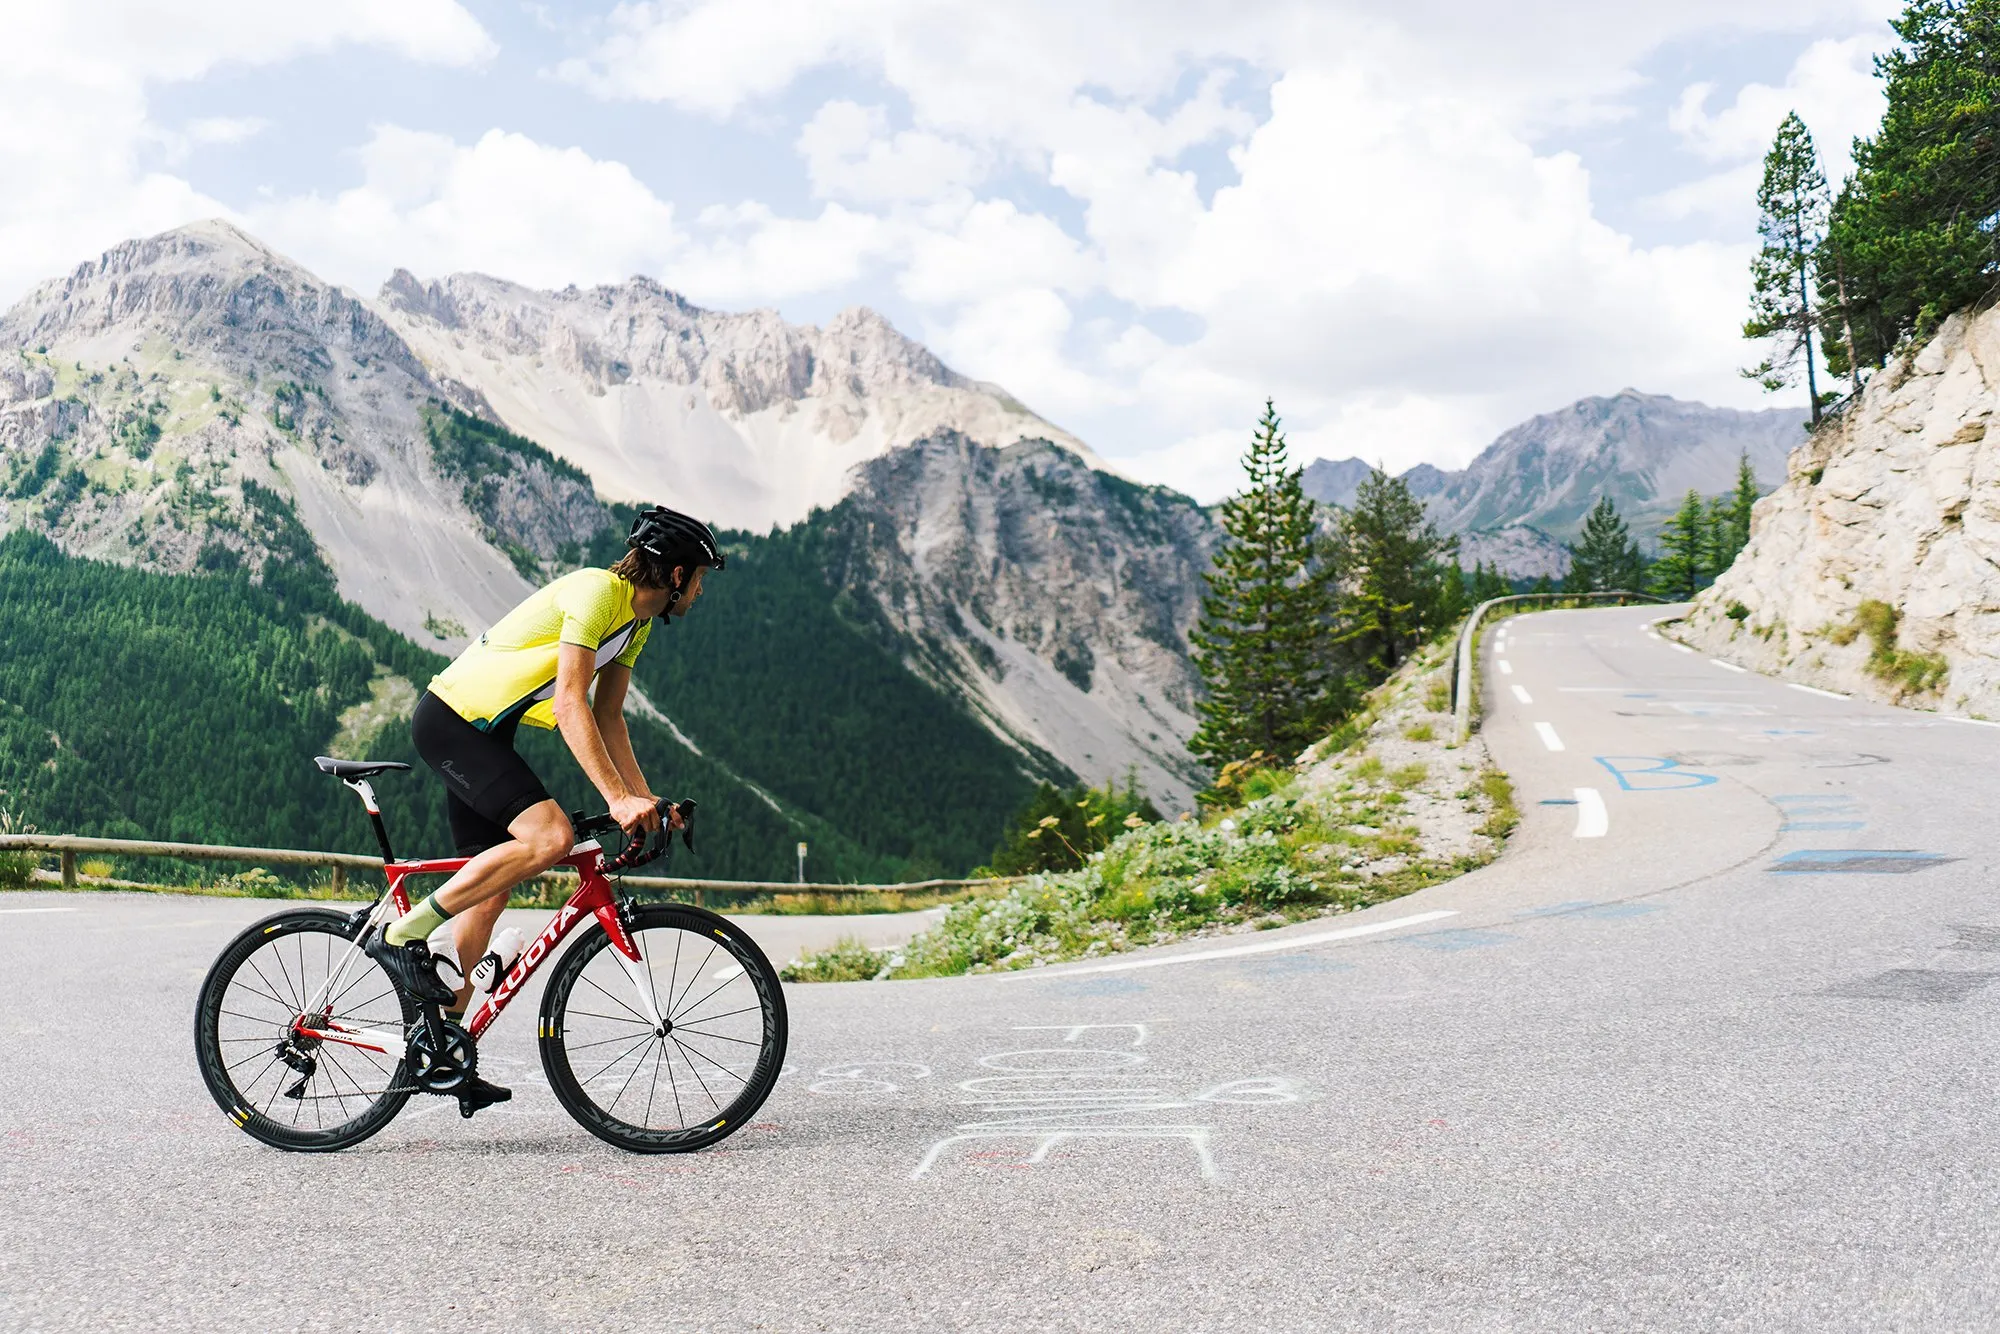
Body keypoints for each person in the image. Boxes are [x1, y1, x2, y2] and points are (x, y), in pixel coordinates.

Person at [365, 506, 723, 1103]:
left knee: (490, 890)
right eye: (701, 577)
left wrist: (645, 800)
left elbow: (609, 716)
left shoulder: (637, 624)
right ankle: (403, 934)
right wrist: (616, 799)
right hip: (452, 722)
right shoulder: (598, 593)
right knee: (551, 837)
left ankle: (441, 1048)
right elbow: (569, 702)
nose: (701, 591)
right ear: (677, 573)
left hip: (485, 732)